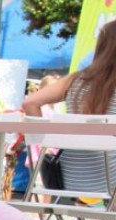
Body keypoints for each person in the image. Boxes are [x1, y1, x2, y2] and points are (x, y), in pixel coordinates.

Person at [22, 20, 116, 199]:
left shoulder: (75, 80)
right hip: (111, 180)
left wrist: (42, 141)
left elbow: (30, 103)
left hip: (67, 179)